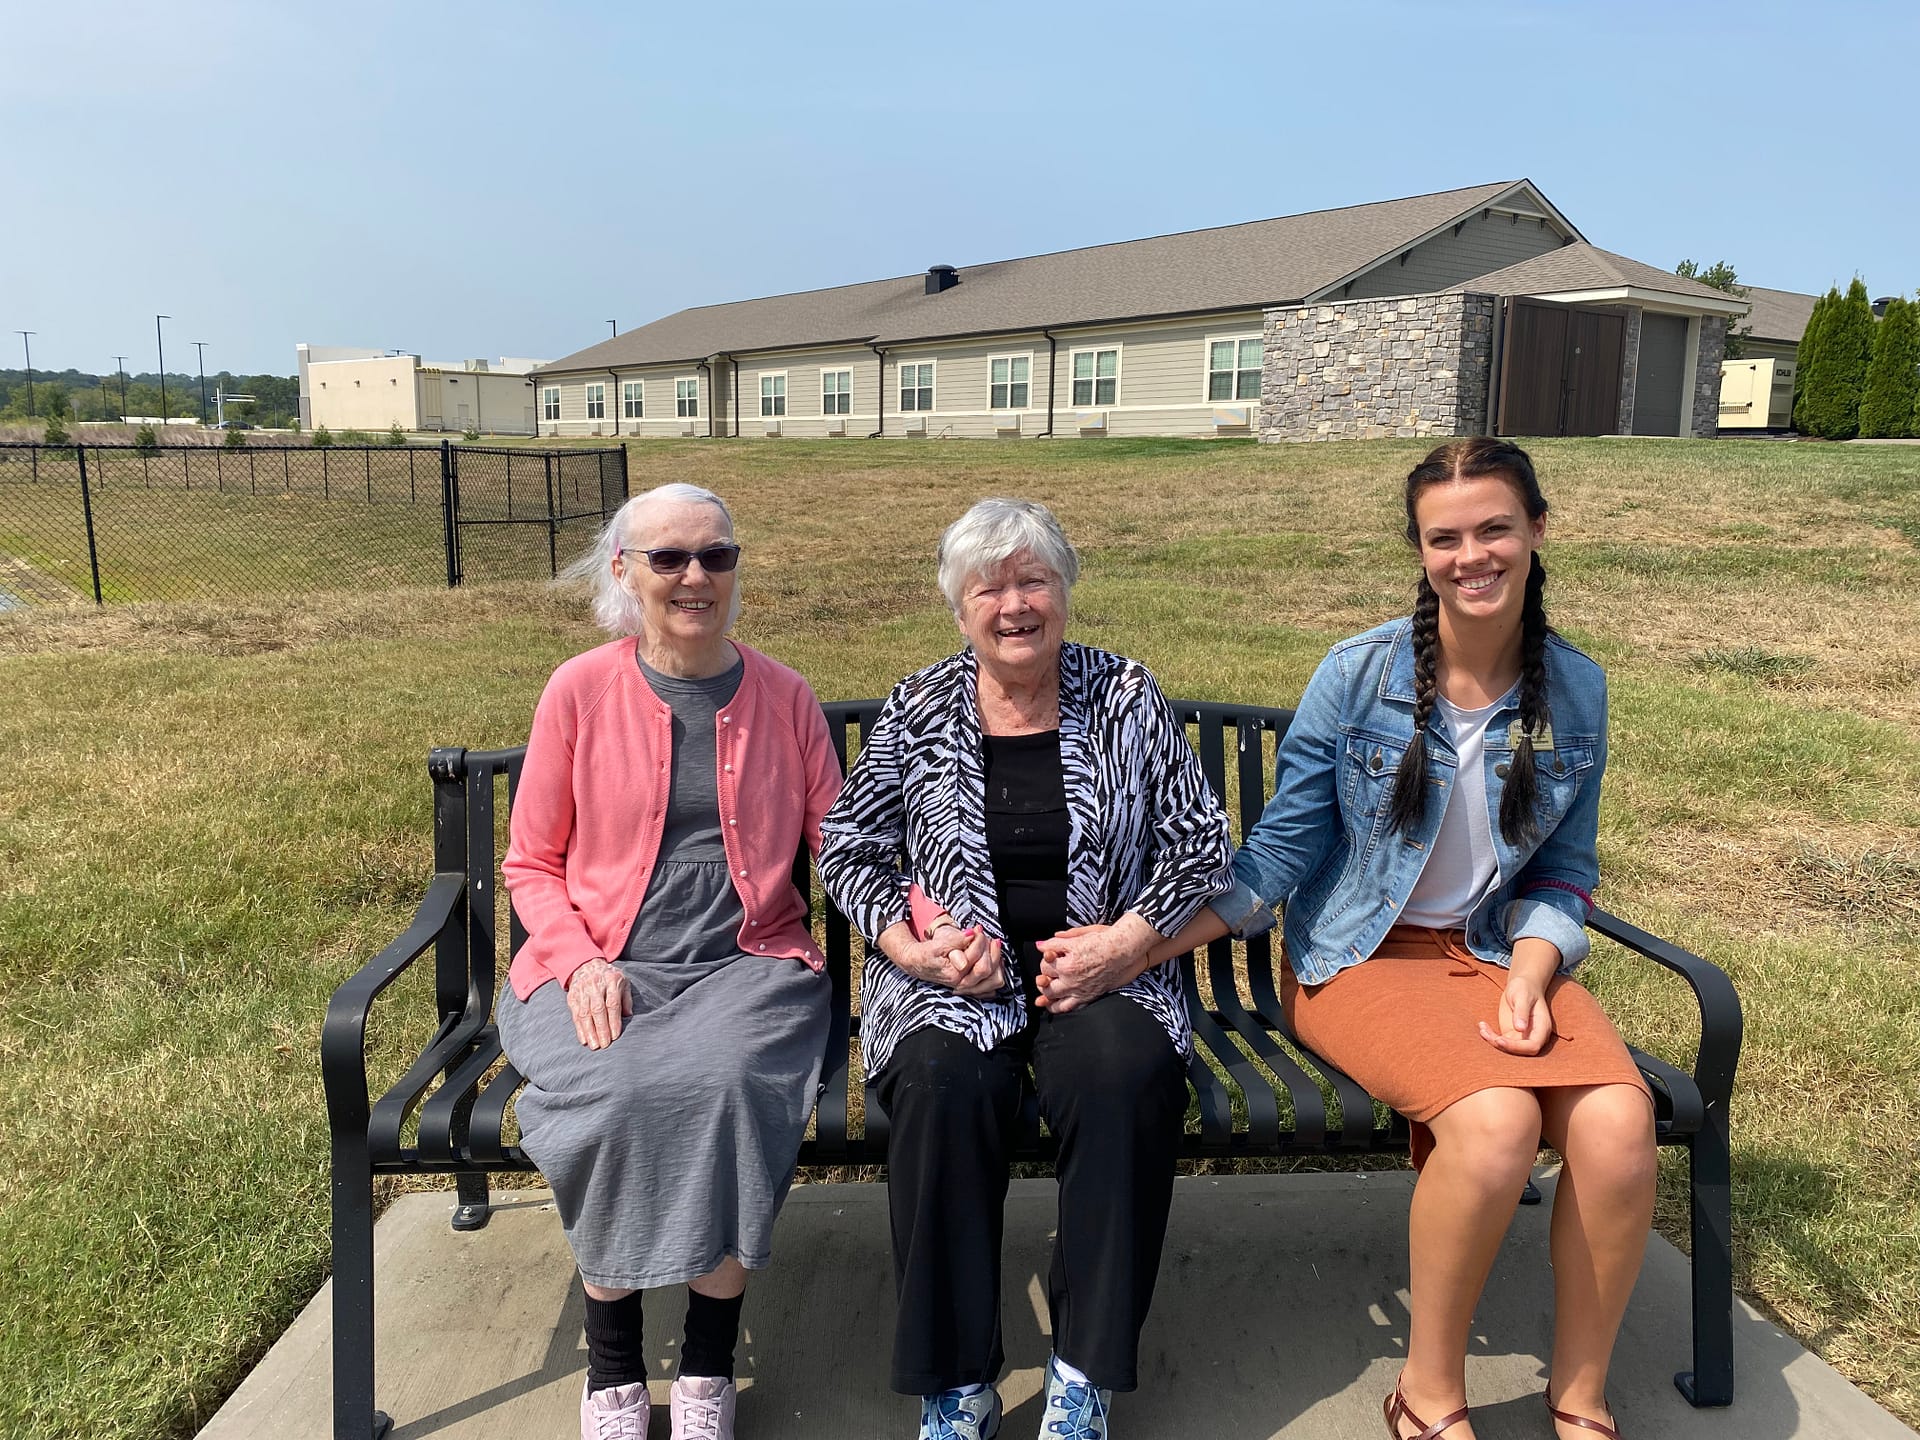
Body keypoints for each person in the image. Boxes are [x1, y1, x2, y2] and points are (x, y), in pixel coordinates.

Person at [1160, 438, 1655, 1440]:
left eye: (1494, 529)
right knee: (1498, 1124)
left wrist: (1532, 968)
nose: (1472, 555)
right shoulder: (1359, 676)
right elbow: (1278, 858)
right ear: (1422, 551)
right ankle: (1427, 1396)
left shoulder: (1579, 690)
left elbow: (1564, 874)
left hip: (1490, 955)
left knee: (1618, 1129)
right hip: (1357, 961)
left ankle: (1582, 1401)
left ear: (1537, 531)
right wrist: (1141, 946)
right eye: (1446, 538)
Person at [817, 498, 1234, 1440]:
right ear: (959, 608)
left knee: (1125, 1078)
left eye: (1033, 580)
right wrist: (910, 943)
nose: (1015, 604)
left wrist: (1130, 938)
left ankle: (1083, 1369)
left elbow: (1202, 841)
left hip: (1105, 972)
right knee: (939, 1085)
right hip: (951, 981)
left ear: (1066, 591)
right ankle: (958, 1378)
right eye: (989, 587)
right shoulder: (921, 706)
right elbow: (849, 846)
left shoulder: (1123, 694)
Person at [498, 482, 843, 1440]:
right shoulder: (578, 689)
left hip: (749, 960)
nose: (696, 577)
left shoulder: (784, 696)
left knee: (724, 1082)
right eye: (670, 558)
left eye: (716, 556)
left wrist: (927, 919)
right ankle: (613, 1369)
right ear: (625, 571)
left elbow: (846, 845)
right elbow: (529, 863)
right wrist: (574, 961)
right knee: (617, 1090)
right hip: (600, 956)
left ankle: (703, 1367)